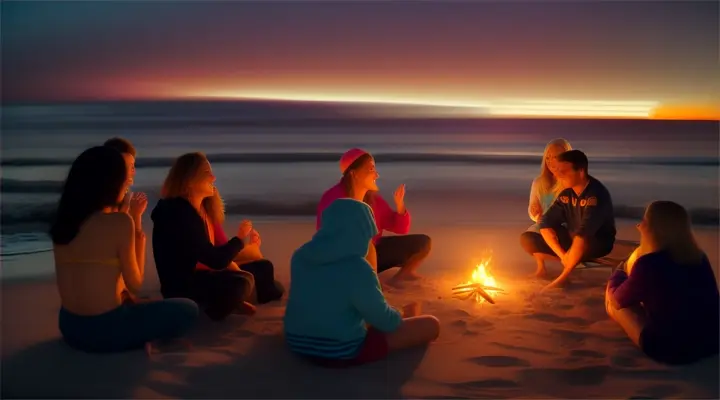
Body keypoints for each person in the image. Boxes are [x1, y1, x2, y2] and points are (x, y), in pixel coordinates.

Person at [51, 146, 198, 353]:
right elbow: (135, 283)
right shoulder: (120, 222)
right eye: (124, 176)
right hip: (104, 330)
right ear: (110, 182)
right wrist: (136, 221)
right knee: (187, 309)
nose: (127, 181)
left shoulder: (63, 222)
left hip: (69, 325)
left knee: (137, 303)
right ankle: (141, 341)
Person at [285, 198, 440, 367]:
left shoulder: (300, 257)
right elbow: (385, 321)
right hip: (340, 350)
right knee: (431, 325)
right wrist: (402, 315)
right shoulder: (357, 267)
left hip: (297, 342)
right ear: (361, 233)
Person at [151, 152, 280, 321]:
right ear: (190, 180)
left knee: (262, 268)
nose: (213, 177)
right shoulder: (179, 213)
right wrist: (240, 239)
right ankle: (209, 314)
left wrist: (242, 248)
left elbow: (218, 255)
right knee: (242, 282)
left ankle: (249, 297)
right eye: (206, 173)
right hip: (182, 289)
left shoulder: (194, 211)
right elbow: (216, 260)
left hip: (202, 276)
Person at [605, 201, 719, 365]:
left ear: (651, 227)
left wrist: (619, 272)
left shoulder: (649, 264)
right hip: (712, 342)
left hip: (672, 350)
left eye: (644, 220)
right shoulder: (699, 257)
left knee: (612, 300)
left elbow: (617, 300)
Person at [317, 148, 431, 285]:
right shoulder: (333, 199)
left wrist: (400, 206)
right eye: (371, 169)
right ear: (354, 174)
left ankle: (403, 275)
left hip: (371, 255)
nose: (376, 175)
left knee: (422, 243)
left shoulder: (373, 199)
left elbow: (400, 228)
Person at [520, 150, 616, 289]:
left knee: (582, 239)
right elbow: (545, 223)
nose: (558, 175)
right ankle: (568, 262)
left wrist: (558, 279)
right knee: (528, 238)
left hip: (597, 241)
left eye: (563, 172)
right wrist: (563, 256)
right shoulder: (566, 194)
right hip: (573, 238)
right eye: (557, 171)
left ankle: (563, 277)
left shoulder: (595, 195)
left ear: (581, 172)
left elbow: (585, 233)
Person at [103, 137, 138, 303]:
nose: (133, 172)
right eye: (129, 167)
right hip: (106, 306)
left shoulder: (123, 205)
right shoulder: (105, 213)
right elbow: (136, 281)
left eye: (133, 166)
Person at [527, 138, 573, 232]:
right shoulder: (538, 182)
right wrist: (535, 212)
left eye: (555, 157)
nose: (550, 162)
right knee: (527, 237)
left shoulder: (571, 183)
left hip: (565, 228)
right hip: (544, 226)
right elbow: (533, 212)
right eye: (548, 158)